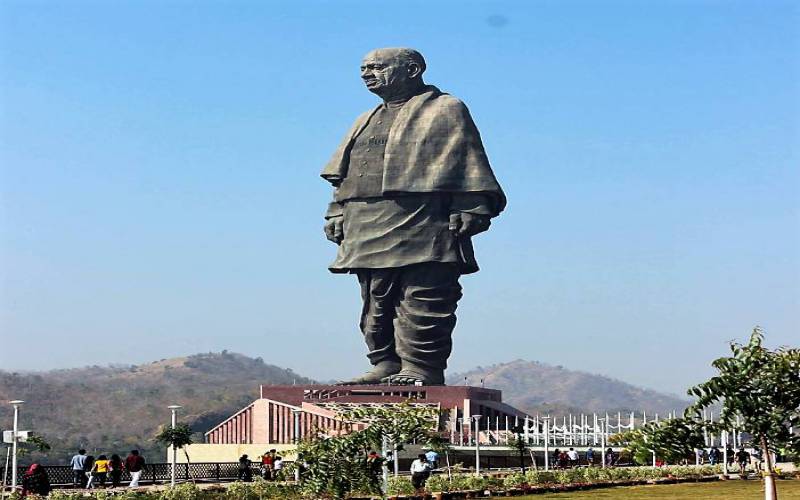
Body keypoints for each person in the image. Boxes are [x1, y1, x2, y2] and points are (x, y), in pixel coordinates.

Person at [322, 47, 505, 386]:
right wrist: (336, 211)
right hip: (365, 221)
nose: (366, 73)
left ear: (412, 69)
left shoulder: (446, 109)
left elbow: (466, 160)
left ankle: (421, 367)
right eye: (363, 67)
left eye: (377, 67)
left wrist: (471, 205)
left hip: (423, 219)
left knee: (424, 295)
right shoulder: (365, 118)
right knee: (375, 299)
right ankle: (385, 361)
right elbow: (343, 176)